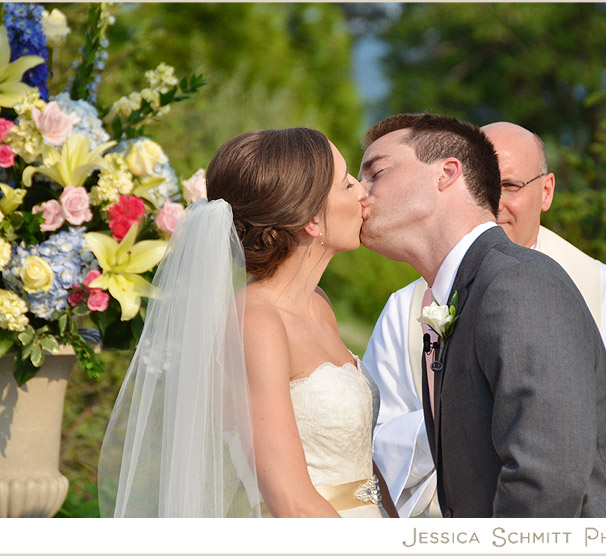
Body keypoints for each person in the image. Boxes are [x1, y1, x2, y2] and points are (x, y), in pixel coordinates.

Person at [364, 120, 606, 517]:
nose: (493, 200)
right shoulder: (440, 293)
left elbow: (548, 475)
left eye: (376, 172)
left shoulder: (524, 283)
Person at [98, 127, 397, 518]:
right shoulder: (256, 322)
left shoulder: (318, 304)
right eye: (347, 184)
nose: (362, 192)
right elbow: (291, 502)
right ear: (310, 220)